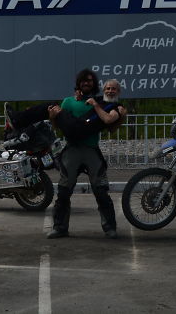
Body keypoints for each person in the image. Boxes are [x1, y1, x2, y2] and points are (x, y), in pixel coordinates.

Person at [47, 70, 126, 240]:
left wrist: (121, 117)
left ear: (94, 84)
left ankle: (110, 227)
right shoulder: (68, 102)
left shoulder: (100, 103)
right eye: (83, 80)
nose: (86, 83)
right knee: (63, 190)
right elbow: (57, 126)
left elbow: (111, 127)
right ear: (78, 83)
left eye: (90, 81)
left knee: (101, 190)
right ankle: (59, 227)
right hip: (72, 151)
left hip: (91, 150)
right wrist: (53, 117)